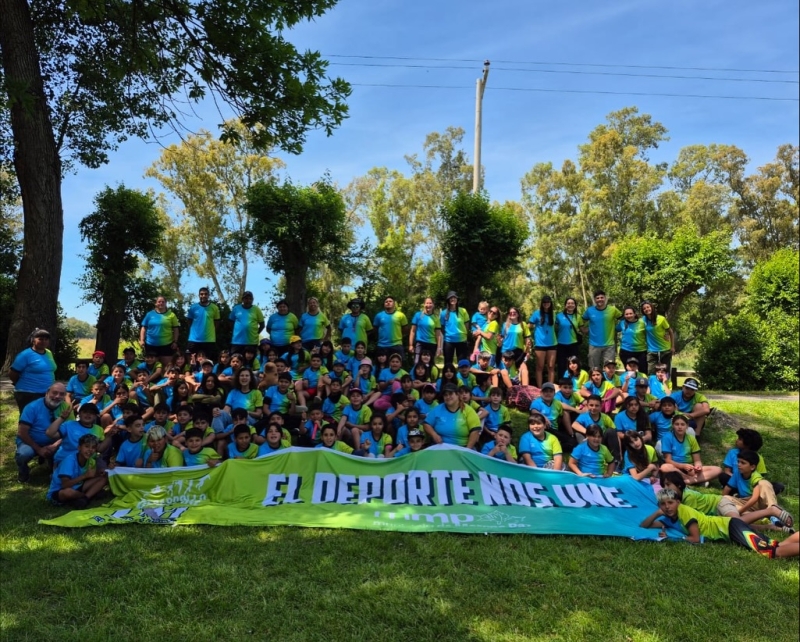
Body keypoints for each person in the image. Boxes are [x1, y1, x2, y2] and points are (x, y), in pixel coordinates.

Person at [641, 489, 799, 559]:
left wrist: (670, 537)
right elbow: (645, 525)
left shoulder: (685, 512)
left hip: (731, 527)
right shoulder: (669, 516)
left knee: (771, 553)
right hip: (731, 527)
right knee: (775, 545)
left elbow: (695, 538)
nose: (667, 507)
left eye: (670, 503)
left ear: (678, 502)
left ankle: (771, 510)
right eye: (663, 504)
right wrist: (656, 513)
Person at [15, 382, 71, 482]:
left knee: (69, 451)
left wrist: (55, 445)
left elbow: (70, 431)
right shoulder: (32, 407)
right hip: (31, 441)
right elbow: (22, 432)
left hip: (55, 442)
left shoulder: (66, 408)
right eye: (54, 393)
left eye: (61, 394)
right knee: (23, 454)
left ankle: (53, 467)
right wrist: (39, 449)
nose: (57, 396)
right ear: (47, 393)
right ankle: (23, 472)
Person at [46, 434, 106, 509]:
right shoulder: (69, 461)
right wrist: (85, 476)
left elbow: (90, 476)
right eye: (87, 446)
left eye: (93, 447)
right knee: (68, 492)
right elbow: (65, 485)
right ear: (79, 448)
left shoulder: (91, 461)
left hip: (77, 486)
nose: (90, 450)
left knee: (103, 479)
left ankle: (84, 499)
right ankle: (87, 496)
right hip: (60, 491)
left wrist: (99, 473)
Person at [659, 415, 721, 485]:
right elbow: (668, 460)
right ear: (673, 426)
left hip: (690, 468)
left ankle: (690, 481)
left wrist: (698, 467)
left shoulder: (691, 438)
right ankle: (693, 479)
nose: (680, 427)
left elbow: (697, 460)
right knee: (665, 467)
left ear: (687, 426)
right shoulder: (667, 437)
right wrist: (682, 466)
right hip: (674, 467)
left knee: (718, 470)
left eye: (682, 424)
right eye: (677, 424)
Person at [9, 327, 56, 412]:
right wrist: (18, 383)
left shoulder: (48, 353)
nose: (44, 341)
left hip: (46, 393)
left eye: (46, 339)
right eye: (40, 339)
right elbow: (13, 373)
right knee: (28, 419)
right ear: (33, 340)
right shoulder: (25, 355)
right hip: (27, 393)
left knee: (43, 418)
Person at [423, 383, 481, 448]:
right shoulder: (438, 409)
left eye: (450, 394)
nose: (448, 397)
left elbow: (475, 431)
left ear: (457, 395)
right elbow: (426, 424)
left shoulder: (468, 410)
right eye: (445, 395)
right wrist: (434, 435)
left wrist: (467, 450)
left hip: (462, 447)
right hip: (440, 447)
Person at [580, 290, 622, 369]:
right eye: (597, 298)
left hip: (609, 345)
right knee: (594, 369)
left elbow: (623, 318)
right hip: (593, 345)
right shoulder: (589, 310)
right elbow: (580, 320)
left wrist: (618, 328)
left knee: (609, 369)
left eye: (602, 297)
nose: (600, 299)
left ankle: (608, 382)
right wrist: (584, 329)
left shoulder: (613, 310)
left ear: (605, 298)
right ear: (595, 300)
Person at [139, 295, 180, 368]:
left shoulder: (171, 315)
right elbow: (143, 328)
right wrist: (142, 340)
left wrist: (175, 341)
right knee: (152, 366)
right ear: (155, 303)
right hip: (151, 344)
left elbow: (176, 329)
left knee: (167, 366)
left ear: (166, 303)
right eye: (159, 302)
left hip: (166, 344)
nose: (161, 303)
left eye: (163, 302)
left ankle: (165, 379)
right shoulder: (149, 314)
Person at [528, 295, 557, 388]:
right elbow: (529, 326)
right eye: (544, 302)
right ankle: (539, 388)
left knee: (551, 366)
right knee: (540, 367)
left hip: (552, 343)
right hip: (540, 344)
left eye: (548, 302)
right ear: (542, 303)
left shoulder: (554, 313)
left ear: (550, 303)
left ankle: (550, 387)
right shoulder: (537, 313)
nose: (546, 304)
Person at [186, 287, 221, 361]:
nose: (203, 296)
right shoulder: (193, 307)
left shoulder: (214, 308)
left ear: (208, 295)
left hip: (209, 340)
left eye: (205, 294)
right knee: (192, 361)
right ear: (199, 295)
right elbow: (189, 321)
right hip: (194, 339)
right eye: (201, 294)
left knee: (208, 362)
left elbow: (217, 322)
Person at [498, 307, 532, 382]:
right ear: (508, 315)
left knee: (524, 370)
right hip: (506, 351)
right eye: (510, 312)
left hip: (518, 351)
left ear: (518, 314)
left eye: (514, 312)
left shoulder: (523, 324)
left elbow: (527, 339)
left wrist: (528, 352)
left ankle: (525, 390)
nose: (512, 313)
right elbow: (501, 338)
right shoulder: (505, 325)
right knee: (505, 371)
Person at [641, 300, 674, 375]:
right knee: (651, 372)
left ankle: (666, 386)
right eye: (644, 308)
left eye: (648, 307)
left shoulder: (661, 319)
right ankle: (653, 386)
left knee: (666, 372)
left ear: (651, 307)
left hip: (665, 349)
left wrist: (672, 346)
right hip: (651, 350)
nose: (646, 309)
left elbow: (670, 332)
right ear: (643, 311)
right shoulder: (643, 320)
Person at [373, 295, 409, 361]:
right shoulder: (379, 316)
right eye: (386, 302)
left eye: (390, 301)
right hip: (382, 345)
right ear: (384, 304)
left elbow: (406, 329)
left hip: (397, 345)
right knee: (381, 366)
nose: (388, 303)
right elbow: (375, 330)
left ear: (394, 303)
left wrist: (397, 336)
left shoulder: (401, 315)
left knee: (397, 366)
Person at [439, 291, 471, 365]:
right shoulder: (443, 313)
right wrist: (448, 334)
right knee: (448, 363)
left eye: (454, 297)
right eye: (451, 298)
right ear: (448, 300)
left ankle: (460, 376)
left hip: (461, 340)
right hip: (448, 341)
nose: (452, 299)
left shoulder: (463, 311)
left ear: (457, 299)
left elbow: (467, 325)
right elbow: (442, 327)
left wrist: (464, 334)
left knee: (462, 363)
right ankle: (448, 376)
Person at [230, 291, 265, 355]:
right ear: (242, 299)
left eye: (250, 299)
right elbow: (230, 322)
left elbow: (262, 325)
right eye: (246, 298)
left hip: (252, 342)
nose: (248, 300)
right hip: (237, 341)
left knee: (250, 361)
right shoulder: (236, 308)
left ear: (252, 300)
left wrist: (255, 333)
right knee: (235, 360)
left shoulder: (256, 309)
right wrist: (236, 331)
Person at [409, 297, 442, 364]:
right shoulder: (418, 315)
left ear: (433, 305)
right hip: (420, 343)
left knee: (430, 365)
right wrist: (411, 345)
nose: (428, 305)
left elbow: (438, 335)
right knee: (417, 363)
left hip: (432, 344)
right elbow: (412, 331)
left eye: (430, 303)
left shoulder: (436, 318)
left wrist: (439, 348)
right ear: (424, 304)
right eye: (427, 303)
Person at [555, 298, 581, 378]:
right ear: (565, 305)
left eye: (572, 303)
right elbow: (554, 328)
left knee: (574, 364)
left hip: (573, 344)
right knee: (561, 364)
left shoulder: (578, 317)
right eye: (568, 303)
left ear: (575, 305)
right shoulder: (559, 316)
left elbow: (583, 329)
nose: (570, 305)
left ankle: (574, 382)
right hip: (561, 344)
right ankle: (562, 382)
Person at [616, 306, 647, 371]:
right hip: (626, 351)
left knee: (643, 372)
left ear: (635, 314)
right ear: (624, 315)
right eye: (626, 314)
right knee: (629, 373)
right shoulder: (622, 323)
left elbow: (650, 332)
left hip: (641, 351)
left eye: (630, 313)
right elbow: (614, 330)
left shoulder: (642, 322)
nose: (629, 315)